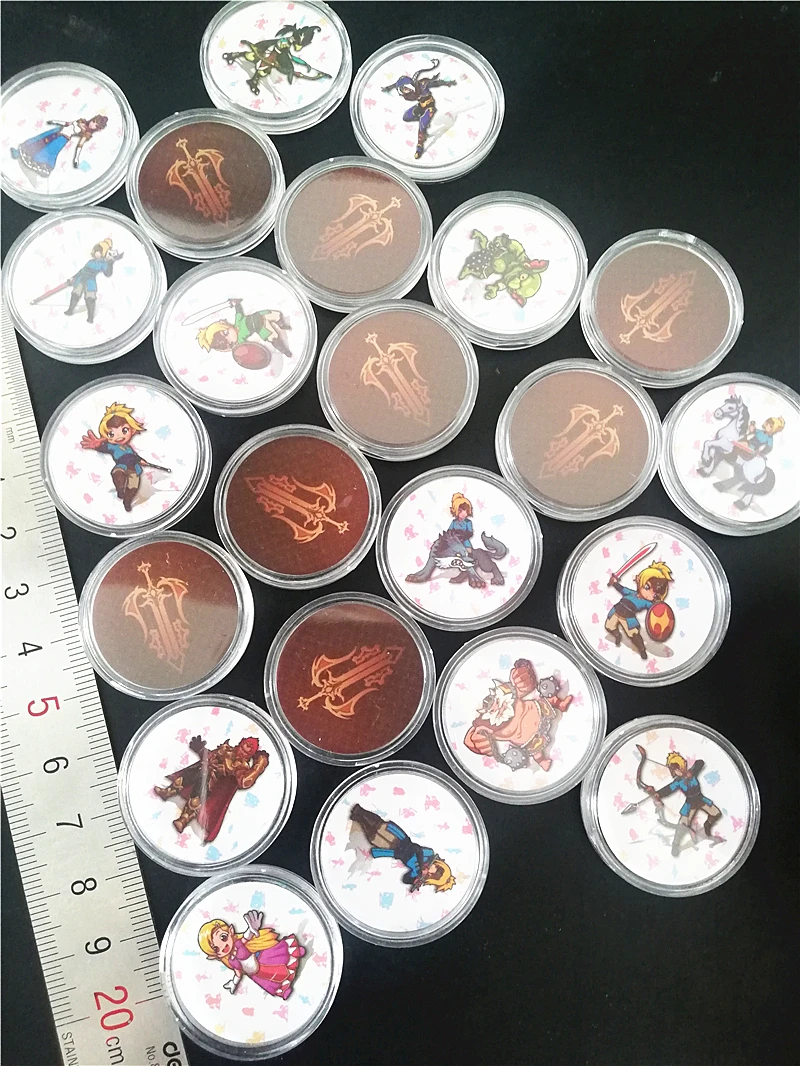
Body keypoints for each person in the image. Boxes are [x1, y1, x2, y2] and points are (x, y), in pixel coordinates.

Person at [154, 735, 269, 840]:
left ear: (249, 755)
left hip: (213, 783)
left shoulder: (241, 766)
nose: (243, 751)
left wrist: (259, 766)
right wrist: (201, 750)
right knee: (184, 778)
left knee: (196, 799)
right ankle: (167, 792)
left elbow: (245, 782)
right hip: (201, 770)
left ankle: (183, 820)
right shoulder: (226, 749)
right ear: (241, 743)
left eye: (247, 751)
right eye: (244, 746)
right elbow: (210, 756)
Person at [198, 910, 304, 999]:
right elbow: (238, 974)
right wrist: (233, 983)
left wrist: (252, 929)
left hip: (261, 959)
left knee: (279, 956)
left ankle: (296, 951)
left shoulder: (238, 943)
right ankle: (284, 990)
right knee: (271, 981)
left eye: (223, 937)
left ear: (230, 931)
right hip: (256, 974)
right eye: (216, 948)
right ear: (214, 956)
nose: (223, 946)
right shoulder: (231, 961)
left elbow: (246, 937)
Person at [349, 804, 455, 892]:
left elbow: (405, 878)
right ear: (438, 866)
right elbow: (416, 849)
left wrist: (414, 880)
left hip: (395, 852)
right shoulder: (429, 854)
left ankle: (358, 819)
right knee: (380, 826)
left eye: (433, 876)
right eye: (436, 871)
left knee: (373, 837)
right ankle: (360, 811)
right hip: (401, 840)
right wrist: (421, 866)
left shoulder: (417, 872)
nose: (432, 873)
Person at [80, 403, 149, 513]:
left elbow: (135, 456)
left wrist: (141, 461)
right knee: (117, 474)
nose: (119, 436)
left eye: (124, 430)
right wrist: (97, 446)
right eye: (111, 433)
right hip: (121, 466)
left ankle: (127, 501)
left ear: (132, 430)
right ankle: (120, 489)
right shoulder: (112, 446)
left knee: (133, 487)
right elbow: (104, 448)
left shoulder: (128, 448)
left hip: (133, 469)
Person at [650, 752, 722, 857]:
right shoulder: (678, 781)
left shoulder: (692, 772)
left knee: (716, 813)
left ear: (682, 766)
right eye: (675, 770)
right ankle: (675, 844)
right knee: (682, 825)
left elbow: (700, 763)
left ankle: (707, 824)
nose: (677, 771)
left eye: (678, 768)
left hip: (700, 799)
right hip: (690, 804)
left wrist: (692, 771)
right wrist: (658, 794)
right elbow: (668, 789)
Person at [382, 59, 457, 159]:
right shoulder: (408, 94)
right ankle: (425, 123)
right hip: (421, 106)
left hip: (430, 107)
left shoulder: (421, 85)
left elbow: (435, 83)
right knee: (406, 117)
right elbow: (397, 84)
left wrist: (447, 83)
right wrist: (388, 87)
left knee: (422, 123)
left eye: (406, 87)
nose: (406, 90)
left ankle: (419, 147)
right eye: (403, 89)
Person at [605, 560, 673, 660]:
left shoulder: (647, 603)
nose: (648, 593)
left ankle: (642, 649)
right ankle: (617, 635)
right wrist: (614, 583)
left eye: (654, 594)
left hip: (628, 619)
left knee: (634, 635)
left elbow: (656, 610)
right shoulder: (631, 593)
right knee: (609, 626)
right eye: (647, 586)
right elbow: (621, 588)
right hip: (616, 612)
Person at [11, 114, 108, 179]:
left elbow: (79, 146)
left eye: (95, 125)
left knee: (48, 151)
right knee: (38, 141)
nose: (92, 124)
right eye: (94, 121)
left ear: (97, 129)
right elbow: (66, 123)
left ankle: (40, 167)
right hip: (57, 131)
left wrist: (76, 159)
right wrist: (54, 121)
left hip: (62, 139)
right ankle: (18, 153)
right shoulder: (81, 121)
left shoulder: (86, 134)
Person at [196, 298, 292, 358]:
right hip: (261, 327)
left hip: (259, 315)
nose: (230, 337)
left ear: (225, 325)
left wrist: (236, 304)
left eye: (225, 333)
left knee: (277, 315)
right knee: (273, 337)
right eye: (229, 343)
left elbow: (239, 312)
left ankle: (282, 325)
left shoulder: (237, 322)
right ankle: (285, 351)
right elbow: (245, 350)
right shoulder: (240, 340)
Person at [64, 238, 122, 323]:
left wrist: (110, 264)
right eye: (96, 250)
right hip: (81, 280)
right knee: (75, 294)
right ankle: (70, 310)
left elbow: (108, 273)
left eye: (100, 251)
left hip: (90, 282)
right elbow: (81, 271)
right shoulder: (90, 261)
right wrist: (73, 278)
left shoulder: (103, 263)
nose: (97, 253)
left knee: (90, 298)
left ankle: (90, 317)